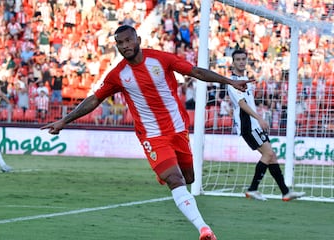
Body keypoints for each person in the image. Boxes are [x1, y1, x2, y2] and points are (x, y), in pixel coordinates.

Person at [41, 25, 252, 240]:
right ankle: (204, 229)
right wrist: (64, 121)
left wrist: (230, 81)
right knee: (174, 178)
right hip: (152, 135)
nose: (125, 46)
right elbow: (95, 99)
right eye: (120, 43)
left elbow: (196, 72)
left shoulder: (161, 59)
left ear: (138, 39)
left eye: (128, 41)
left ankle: (171, 178)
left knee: (188, 177)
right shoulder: (118, 75)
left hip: (178, 129)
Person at [227, 49, 305, 201]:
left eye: (244, 59)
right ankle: (252, 189)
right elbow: (242, 104)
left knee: (272, 156)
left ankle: (285, 192)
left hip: (254, 123)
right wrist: (259, 118)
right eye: (238, 59)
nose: (242, 62)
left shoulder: (244, 79)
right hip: (248, 125)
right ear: (233, 62)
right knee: (268, 154)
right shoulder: (233, 82)